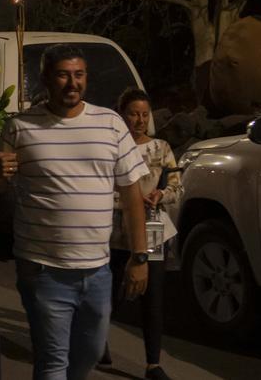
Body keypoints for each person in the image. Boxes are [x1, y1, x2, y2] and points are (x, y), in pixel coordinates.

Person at [0, 45, 150, 380]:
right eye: (63, 74)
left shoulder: (110, 123)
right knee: (53, 362)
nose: (72, 83)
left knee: (91, 353)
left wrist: (140, 257)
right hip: (43, 269)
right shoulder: (20, 127)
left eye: (78, 74)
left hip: (97, 270)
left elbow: (132, 194)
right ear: (46, 79)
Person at [99, 89, 182, 380]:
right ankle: (100, 345)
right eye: (134, 113)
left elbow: (177, 185)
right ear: (122, 114)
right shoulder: (112, 147)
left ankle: (152, 363)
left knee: (154, 294)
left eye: (145, 114)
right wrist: (128, 201)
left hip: (154, 226)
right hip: (115, 227)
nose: (140, 120)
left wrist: (161, 194)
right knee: (108, 292)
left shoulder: (161, 148)